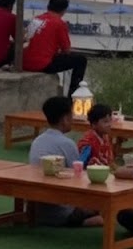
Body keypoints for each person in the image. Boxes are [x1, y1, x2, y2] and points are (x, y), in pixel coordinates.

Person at [29, 97, 103, 227]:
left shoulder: (38, 141)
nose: (73, 118)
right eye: (71, 114)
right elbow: (78, 176)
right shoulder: (66, 144)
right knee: (102, 210)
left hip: (37, 207)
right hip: (62, 209)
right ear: (64, 119)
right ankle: (82, 221)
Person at [23, 0, 88, 97]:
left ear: (48, 6)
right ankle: (73, 95)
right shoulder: (59, 23)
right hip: (42, 64)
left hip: (25, 61)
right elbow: (66, 50)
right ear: (64, 10)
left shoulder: (36, 19)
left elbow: (26, 39)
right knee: (81, 60)